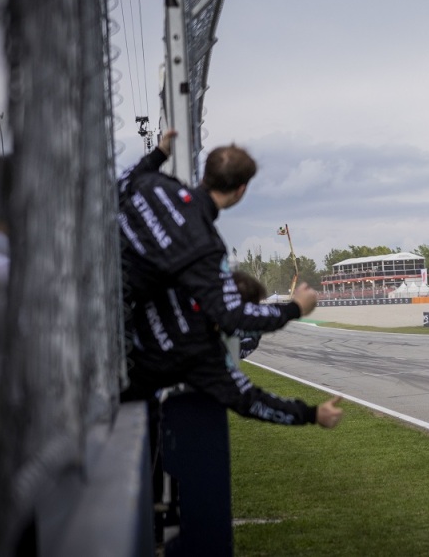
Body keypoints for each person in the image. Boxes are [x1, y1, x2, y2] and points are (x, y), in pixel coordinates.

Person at [118, 130, 342, 428]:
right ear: (241, 191)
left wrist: (159, 154)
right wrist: (296, 308)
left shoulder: (159, 186)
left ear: (206, 174)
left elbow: (124, 182)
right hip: (115, 385)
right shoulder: (205, 251)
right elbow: (233, 322)